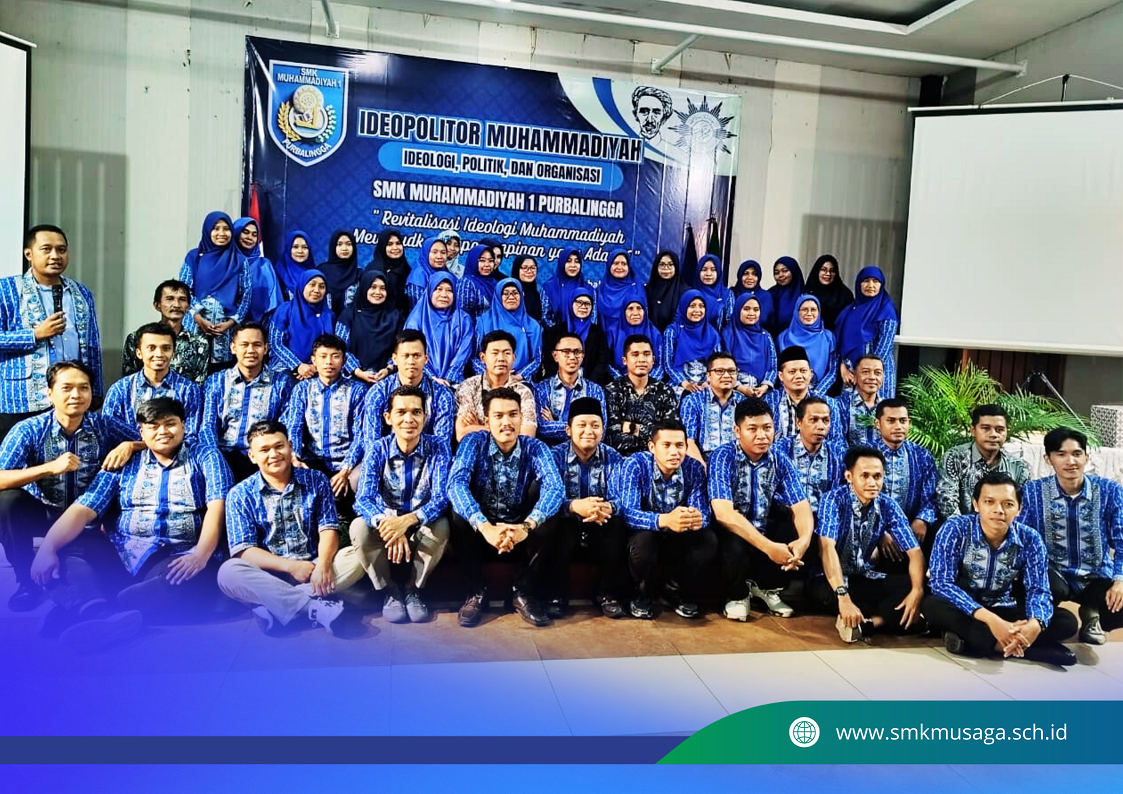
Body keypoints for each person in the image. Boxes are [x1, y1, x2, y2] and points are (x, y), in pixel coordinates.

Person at [29, 398, 232, 651]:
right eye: (153, 426)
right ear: (141, 432)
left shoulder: (205, 456)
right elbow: (84, 508)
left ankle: (88, 607)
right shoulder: (123, 461)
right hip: (123, 553)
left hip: (175, 555)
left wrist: (200, 555)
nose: (162, 431)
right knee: (61, 548)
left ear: (183, 425)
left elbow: (217, 506)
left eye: (170, 424)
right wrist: (47, 548)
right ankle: (105, 614)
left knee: (192, 578)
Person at [0, 362, 138, 611]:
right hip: (44, 511)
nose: (76, 395)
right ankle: (26, 582)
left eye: (83, 388)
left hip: (89, 515)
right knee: (7, 501)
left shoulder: (103, 425)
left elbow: (152, 438)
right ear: (50, 393)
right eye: (67, 388)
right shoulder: (29, 429)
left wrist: (128, 445)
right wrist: (48, 468)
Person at [217, 420, 369, 637]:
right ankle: (314, 607)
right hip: (268, 575)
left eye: (279, 446)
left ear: (290, 447)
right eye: (264, 450)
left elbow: (328, 528)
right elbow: (244, 550)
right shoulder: (239, 494)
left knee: (357, 557)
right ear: (252, 456)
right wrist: (291, 567)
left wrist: (324, 565)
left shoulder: (316, 480)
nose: (274, 454)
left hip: (314, 568)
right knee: (228, 573)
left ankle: (275, 604)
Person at [924, 471, 1078, 666]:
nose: (998, 510)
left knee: (1066, 622)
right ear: (976, 504)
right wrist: (992, 620)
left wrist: (1034, 624)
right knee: (932, 605)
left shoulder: (1030, 538)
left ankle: (978, 642)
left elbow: (1038, 589)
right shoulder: (955, 528)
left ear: (1019, 509)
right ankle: (1025, 649)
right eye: (989, 502)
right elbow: (941, 583)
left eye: (1008, 504)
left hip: (1004, 605)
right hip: (966, 608)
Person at [448, 387, 564, 627]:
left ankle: (522, 592)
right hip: (481, 532)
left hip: (520, 532)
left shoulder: (535, 448)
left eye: (513, 415)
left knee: (551, 512)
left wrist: (526, 527)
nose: (506, 422)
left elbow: (555, 488)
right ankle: (476, 592)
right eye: (498, 416)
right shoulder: (473, 442)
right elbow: (455, 484)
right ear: (487, 421)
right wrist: (485, 527)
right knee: (458, 514)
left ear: (521, 417)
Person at [350, 385, 451, 624]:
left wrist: (407, 521)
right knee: (359, 528)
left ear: (425, 417)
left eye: (416, 412)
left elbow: (441, 497)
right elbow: (363, 498)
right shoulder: (378, 449)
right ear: (388, 418)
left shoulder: (439, 447)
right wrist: (389, 525)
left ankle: (413, 589)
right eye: (401, 412)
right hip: (386, 524)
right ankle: (391, 591)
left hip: (421, 523)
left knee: (442, 526)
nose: (409, 419)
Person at [709, 398, 813, 621]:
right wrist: (769, 548)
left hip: (762, 525)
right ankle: (737, 595)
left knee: (792, 531)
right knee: (733, 541)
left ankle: (765, 589)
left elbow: (801, 505)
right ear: (737, 431)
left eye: (767, 428)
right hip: (732, 530)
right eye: (752, 429)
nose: (762, 435)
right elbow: (723, 513)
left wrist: (803, 541)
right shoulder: (723, 456)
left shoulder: (780, 460)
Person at [1020, 427, 1123, 645]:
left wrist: (1120, 580)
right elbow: (1023, 537)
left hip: (1097, 576)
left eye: (1077, 454)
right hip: (1053, 574)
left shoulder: (1110, 490)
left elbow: (1121, 540)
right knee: (1040, 595)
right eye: (1061, 454)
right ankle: (1049, 621)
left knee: (1120, 603)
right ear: (1048, 459)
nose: (1071, 461)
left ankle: (1092, 614)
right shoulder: (1033, 491)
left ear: (1086, 457)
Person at [0, 225, 103, 441]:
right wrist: (34, 334)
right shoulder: (6, 290)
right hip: (22, 397)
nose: (55, 256)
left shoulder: (81, 292)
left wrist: (96, 390)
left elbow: (92, 344)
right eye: (46, 249)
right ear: (29, 254)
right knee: (17, 457)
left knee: (66, 456)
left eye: (61, 250)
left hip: (71, 397)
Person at [814, 446, 926, 644]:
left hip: (862, 576)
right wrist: (843, 596)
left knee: (919, 586)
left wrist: (917, 591)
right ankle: (893, 618)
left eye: (877, 476)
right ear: (849, 476)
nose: (872, 483)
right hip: (829, 581)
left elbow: (915, 552)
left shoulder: (887, 505)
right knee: (830, 596)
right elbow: (827, 548)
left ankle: (871, 623)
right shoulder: (833, 500)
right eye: (864, 476)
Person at [619, 419, 715, 619]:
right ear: (652, 447)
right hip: (646, 533)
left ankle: (673, 589)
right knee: (643, 540)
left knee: (708, 539)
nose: (674, 452)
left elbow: (704, 513)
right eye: (667, 445)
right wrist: (664, 520)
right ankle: (641, 592)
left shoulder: (694, 468)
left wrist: (695, 518)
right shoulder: (635, 464)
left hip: (678, 535)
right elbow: (628, 513)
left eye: (680, 445)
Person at [544, 397, 628, 619]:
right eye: (581, 425)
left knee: (617, 522)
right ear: (568, 429)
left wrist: (607, 507)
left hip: (599, 523)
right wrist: (574, 506)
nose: (589, 431)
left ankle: (606, 593)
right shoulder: (554, 456)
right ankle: (556, 594)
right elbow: (547, 497)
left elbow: (622, 498)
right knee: (560, 522)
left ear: (602, 430)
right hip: (567, 523)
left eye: (595, 425)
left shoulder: (613, 457)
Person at [281, 334, 366, 517]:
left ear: (344, 360)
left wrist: (345, 469)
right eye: (323, 356)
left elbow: (361, 435)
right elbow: (294, 426)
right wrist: (294, 457)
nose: (329, 362)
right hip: (314, 459)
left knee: (358, 481)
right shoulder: (302, 389)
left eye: (335, 356)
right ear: (314, 360)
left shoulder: (357, 390)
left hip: (346, 461)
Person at [200, 321, 294, 483]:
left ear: (266, 348)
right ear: (233, 348)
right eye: (244, 345)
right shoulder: (216, 381)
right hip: (224, 456)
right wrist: (215, 460)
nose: (250, 350)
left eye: (257, 345)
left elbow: (286, 425)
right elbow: (207, 426)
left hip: (265, 458)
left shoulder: (281, 383)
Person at [103, 323, 204, 440]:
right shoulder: (120, 390)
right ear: (139, 353)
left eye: (166, 348)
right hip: (130, 451)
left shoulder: (189, 390)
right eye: (151, 348)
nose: (159, 354)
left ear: (173, 352)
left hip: (177, 451)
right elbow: (108, 431)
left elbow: (191, 436)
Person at [178, 211, 252, 368]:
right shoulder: (194, 257)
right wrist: (198, 318)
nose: (221, 233)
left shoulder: (239, 260)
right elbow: (184, 290)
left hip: (225, 332)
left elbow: (246, 295)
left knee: (220, 374)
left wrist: (230, 323)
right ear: (207, 230)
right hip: (195, 327)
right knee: (192, 369)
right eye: (216, 228)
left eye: (226, 229)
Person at [359, 330, 456, 445]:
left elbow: (442, 444)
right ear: (395, 359)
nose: (411, 361)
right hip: (386, 454)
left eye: (416, 356)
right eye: (406, 356)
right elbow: (371, 443)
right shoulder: (377, 393)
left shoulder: (442, 395)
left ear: (426, 359)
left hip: (429, 454)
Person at [937, 404, 1030, 521]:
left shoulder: (1018, 467)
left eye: (1000, 430)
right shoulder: (955, 458)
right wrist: (965, 529)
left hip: (1003, 528)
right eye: (986, 428)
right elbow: (947, 501)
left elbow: (1024, 507)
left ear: (1007, 432)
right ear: (973, 430)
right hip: (961, 527)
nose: (993, 434)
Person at [871, 398, 937, 560]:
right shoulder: (865, 454)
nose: (898, 426)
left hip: (912, 525)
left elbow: (931, 496)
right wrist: (879, 531)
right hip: (872, 527)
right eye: (891, 421)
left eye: (903, 421)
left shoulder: (922, 455)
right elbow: (855, 498)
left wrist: (922, 520)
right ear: (878, 424)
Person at [121, 279, 211, 385]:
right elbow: (129, 382)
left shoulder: (199, 343)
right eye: (169, 299)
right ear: (157, 305)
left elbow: (199, 385)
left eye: (182, 299)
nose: (176, 305)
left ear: (188, 306)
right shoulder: (136, 339)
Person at [269, 269, 354, 380]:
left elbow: (334, 346)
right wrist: (297, 365)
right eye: (312, 285)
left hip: (318, 370)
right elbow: (275, 344)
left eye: (322, 287)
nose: (316, 290)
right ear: (302, 286)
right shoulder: (285, 310)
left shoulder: (329, 315)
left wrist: (315, 367)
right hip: (286, 367)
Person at [454, 331, 537, 441]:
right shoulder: (469, 387)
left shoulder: (523, 392)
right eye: (495, 353)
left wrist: (480, 427)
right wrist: (509, 430)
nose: (501, 358)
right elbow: (462, 434)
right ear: (483, 358)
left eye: (506, 353)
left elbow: (527, 435)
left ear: (514, 357)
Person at [605, 334, 678, 456]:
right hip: (620, 458)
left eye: (646, 354)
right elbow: (612, 439)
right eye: (635, 354)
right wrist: (652, 435)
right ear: (624, 360)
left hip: (656, 458)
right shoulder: (612, 390)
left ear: (653, 360)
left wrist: (633, 428)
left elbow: (670, 435)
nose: (642, 360)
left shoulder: (665, 391)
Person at [772, 396, 845, 519]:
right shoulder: (779, 450)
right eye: (813, 420)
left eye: (825, 420)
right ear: (799, 422)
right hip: (786, 519)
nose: (820, 426)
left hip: (825, 521)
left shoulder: (839, 455)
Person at [835, 266, 898, 398]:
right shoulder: (849, 311)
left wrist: (864, 374)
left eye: (875, 281)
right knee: (851, 410)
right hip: (850, 375)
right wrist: (842, 366)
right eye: (866, 281)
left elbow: (883, 349)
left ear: (881, 285)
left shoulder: (886, 311)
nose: (870, 285)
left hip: (876, 378)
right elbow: (840, 343)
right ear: (859, 284)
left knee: (878, 410)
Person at [404, 271, 475, 387]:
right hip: (420, 380)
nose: (444, 294)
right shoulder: (416, 320)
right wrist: (431, 377)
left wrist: (449, 379)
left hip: (453, 383)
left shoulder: (464, 320)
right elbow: (411, 351)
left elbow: (463, 353)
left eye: (449, 290)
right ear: (430, 291)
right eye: (438, 289)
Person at [335, 268, 403, 385]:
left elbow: (401, 348)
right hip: (352, 380)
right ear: (364, 288)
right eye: (373, 287)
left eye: (383, 288)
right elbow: (339, 347)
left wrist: (388, 369)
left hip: (387, 381)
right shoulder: (349, 315)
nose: (378, 292)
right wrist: (357, 371)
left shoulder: (395, 317)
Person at [764, 346, 843, 443]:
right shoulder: (769, 402)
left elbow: (838, 443)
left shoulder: (829, 404)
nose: (798, 376)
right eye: (792, 372)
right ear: (781, 376)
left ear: (811, 374)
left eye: (803, 371)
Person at [680, 351, 745, 462]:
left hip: (737, 462)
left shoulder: (743, 402)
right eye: (719, 371)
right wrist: (703, 467)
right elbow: (688, 442)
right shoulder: (693, 401)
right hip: (703, 461)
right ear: (708, 376)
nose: (726, 375)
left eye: (731, 371)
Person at [472, 279, 542, 382]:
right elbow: (474, 356)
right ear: (498, 297)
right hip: (488, 380)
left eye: (515, 293)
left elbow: (537, 359)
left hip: (521, 381)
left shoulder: (532, 325)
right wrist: (490, 375)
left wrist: (519, 376)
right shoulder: (483, 322)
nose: (511, 297)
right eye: (506, 294)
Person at [539, 287, 612, 384]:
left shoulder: (597, 332)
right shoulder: (557, 331)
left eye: (587, 304)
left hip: (590, 383)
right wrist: (562, 380)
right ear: (571, 304)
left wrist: (588, 384)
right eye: (579, 302)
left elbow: (602, 361)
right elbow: (549, 360)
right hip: (559, 383)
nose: (583, 306)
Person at [663, 291, 720, 397]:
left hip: (706, 383)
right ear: (684, 307)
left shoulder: (712, 334)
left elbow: (718, 362)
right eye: (692, 306)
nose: (697, 310)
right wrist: (684, 383)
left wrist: (707, 382)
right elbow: (667, 363)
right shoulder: (672, 331)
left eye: (701, 306)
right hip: (679, 383)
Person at [777, 295, 836, 392]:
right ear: (797, 312)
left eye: (813, 310)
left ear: (819, 312)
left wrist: (817, 394)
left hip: (821, 394)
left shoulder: (828, 337)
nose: (809, 313)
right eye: (804, 310)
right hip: (789, 393)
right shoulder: (783, 338)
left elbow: (833, 371)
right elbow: (779, 370)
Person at [722, 294, 776, 398]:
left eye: (756, 310)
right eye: (746, 309)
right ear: (738, 310)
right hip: (733, 392)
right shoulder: (727, 334)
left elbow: (773, 367)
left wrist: (764, 387)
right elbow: (722, 364)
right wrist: (740, 388)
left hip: (762, 393)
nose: (751, 313)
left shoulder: (765, 336)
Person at [231, 217, 283, 324]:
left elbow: (273, 301)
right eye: (245, 232)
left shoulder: (264, 265)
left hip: (258, 326)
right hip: (226, 325)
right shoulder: (227, 263)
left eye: (254, 235)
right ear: (236, 232)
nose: (250, 237)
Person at [608, 297, 663, 382]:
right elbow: (607, 364)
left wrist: (648, 382)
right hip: (619, 381)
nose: (635, 313)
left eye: (639, 308)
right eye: (630, 309)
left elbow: (660, 365)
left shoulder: (655, 333)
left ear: (645, 311)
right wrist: (623, 381)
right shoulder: (612, 332)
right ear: (624, 311)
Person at [837, 355, 884, 446]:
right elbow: (838, 443)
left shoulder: (887, 407)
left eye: (877, 373)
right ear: (854, 375)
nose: (872, 377)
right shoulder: (841, 404)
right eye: (866, 372)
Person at [595, 249, 642, 340]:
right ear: (609, 265)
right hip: (604, 340)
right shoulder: (600, 290)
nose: (620, 267)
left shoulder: (636, 289)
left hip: (629, 340)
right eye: (616, 263)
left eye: (624, 264)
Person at [542, 248, 590, 328]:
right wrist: (559, 333)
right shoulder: (549, 287)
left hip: (583, 334)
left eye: (577, 261)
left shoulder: (588, 289)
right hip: (555, 334)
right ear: (562, 263)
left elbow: (592, 319)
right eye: (568, 261)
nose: (573, 265)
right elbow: (545, 317)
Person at [805, 254, 853, 332]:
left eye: (832, 271)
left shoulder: (845, 295)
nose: (828, 274)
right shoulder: (808, 292)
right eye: (823, 270)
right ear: (817, 271)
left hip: (837, 337)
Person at [369, 228, 411, 315]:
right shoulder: (373, 270)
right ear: (382, 246)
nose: (395, 247)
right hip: (379, 318)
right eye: (389, 244)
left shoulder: (406, 269)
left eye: (398, 243)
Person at [319, 230, 361, 313]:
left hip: (351, 320)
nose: (344, 248)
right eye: (339, 244)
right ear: (333, 247)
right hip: (325, 320)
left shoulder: (359, 275)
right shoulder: (321, 272)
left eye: (349, 244)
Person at [404, 237, 451, 309]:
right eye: (434, 252)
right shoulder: (418, 278)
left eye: (443, 252)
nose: (439, 256)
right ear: (426, 253)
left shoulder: (446, 273)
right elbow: (419, 309)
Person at [456, 244, 500, 320]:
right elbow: (462, 317)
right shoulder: (466, 283)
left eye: (490, 261)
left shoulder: (494, 283)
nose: (487, 265)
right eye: (482, 260)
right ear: (473, 261)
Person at [645, 250, 684, 331]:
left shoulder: (684, 292)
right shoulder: (647, 290)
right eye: (662, 264)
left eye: (670, 264)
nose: (666, 268)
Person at [272, 229, 316, 302]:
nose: (300, 251)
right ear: (288, 248)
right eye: (295, 247)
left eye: (305, 247)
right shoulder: (279, 272)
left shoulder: (314, 274)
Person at [766, 256, 803, 338]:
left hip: (798, 341)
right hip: (773, 340)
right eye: (777, 272)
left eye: (785, 271)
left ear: (794, 271)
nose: (781, 275)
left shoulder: (804, 295)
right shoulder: (769, 294)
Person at [731, 260, 773, 328]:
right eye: (745, 273)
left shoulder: (766, 297)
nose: (750, 277)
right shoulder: (731, 294)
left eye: (754, 274)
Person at [695, 254, 731, 330]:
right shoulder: (691, 294)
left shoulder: (727, 294)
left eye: (713, 269)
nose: (708, 274)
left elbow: (730, 324)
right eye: (704, 269)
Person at [513, 255, 546, 324]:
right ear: (517, 269)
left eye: (533, 268)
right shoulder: (510, 292)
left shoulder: (536, 295)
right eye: (525, 268)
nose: (529, 271)